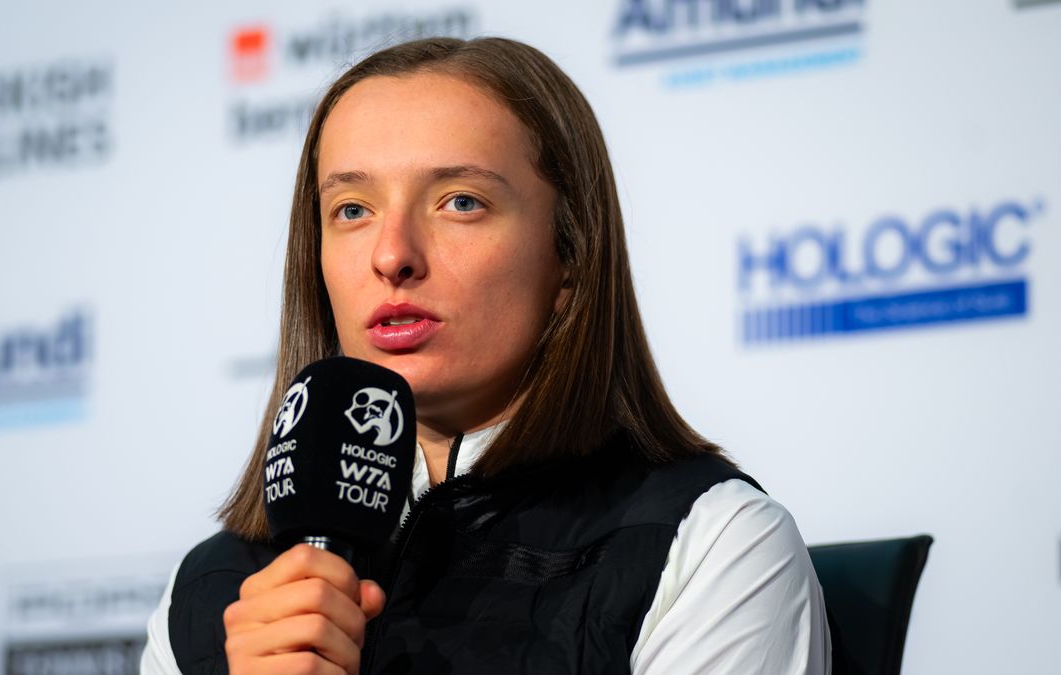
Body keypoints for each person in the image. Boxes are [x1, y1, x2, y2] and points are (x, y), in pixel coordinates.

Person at [142, 36, 830, 675]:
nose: (392, 255)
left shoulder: (710, 547)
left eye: (460, 201)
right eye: (352, 209)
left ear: (569, 257)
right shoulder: (208, 594)